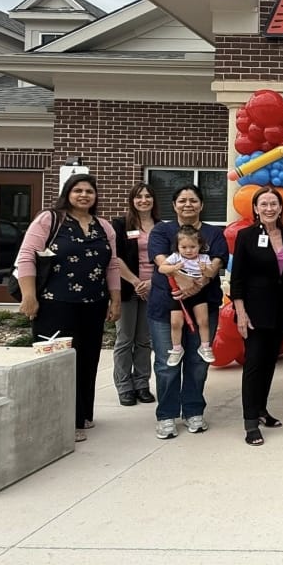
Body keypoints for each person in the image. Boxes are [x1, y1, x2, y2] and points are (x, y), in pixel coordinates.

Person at [17, 173, 121, 443]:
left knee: (87, 359)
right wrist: (29, 296)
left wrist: (115, 299)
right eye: (78, 190)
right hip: (54, 304)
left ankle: (81, 414)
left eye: (89, 191)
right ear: (67, 193)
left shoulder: (103, 226)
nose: (84, 195)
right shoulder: (50, 219)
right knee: (59, 362)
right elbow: (26, 256)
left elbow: (111, 264)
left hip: (93, 304)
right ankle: (61, 421)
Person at [148, 185, 228, 440]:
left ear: (201, 205)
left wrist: (199, 284)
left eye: (193, 200)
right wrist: (183, 280)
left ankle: (193, 410)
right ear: (174, 205)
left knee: (197, 362)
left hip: (204, 304)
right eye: (182, 200)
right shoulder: (162, 230)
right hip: (166, 305)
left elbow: (217, 262)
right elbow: (160, 260)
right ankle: (166, 415)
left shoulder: (214, 233)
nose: (187, 204)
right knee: (167, 362)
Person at [230, 187, 283, 446]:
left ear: (281, 208)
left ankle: (261, 409)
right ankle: (250, 422)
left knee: (269, 362)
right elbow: (237, 278)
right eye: (264, 204)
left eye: (274, 204)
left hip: (280, 311)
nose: (269, 208)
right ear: (256, 209)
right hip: (254, 311)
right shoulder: (246, 236)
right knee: (254, 363)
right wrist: (240, 313)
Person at [112, 183, 157, 406]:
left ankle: (141, 384)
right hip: (128, 288)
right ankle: (124, 386)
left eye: (148, 196)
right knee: (125, 339)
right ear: (132, 200)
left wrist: (151, 283)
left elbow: (168, 258)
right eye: (139, 197)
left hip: (153, 288)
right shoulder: (121, 225)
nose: (144, 200)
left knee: (144, 340)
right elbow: (115, 257)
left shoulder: (161, 226)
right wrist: (136, 282)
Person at [157, 226, 219, 365]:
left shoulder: (204, 258)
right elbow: (161, 268)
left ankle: (205, 347)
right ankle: (177, 349)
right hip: (179, 294)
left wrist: (206, 269)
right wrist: (173, 268)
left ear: (200, 246)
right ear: (178, 247)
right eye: (184, 247)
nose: (188, 250)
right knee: (175, 322)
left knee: (203, 321)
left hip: (199, 293)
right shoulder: (176, 257)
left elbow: (211, 274)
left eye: (192, 247)